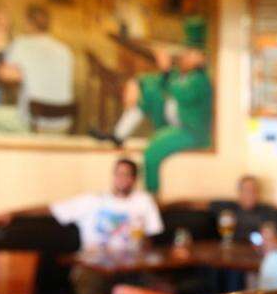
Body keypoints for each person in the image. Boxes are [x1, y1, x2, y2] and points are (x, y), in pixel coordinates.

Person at [0, 158, 164, 294]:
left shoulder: (144, 201)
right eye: (119, 174)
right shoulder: (94, 201)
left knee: (159, 288)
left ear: (134, 178)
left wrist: (143, 252)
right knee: (97, 287)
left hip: (131, 268)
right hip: (92, 266)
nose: (122, 178)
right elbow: (51, 209)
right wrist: (13, 213)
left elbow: (150, 238)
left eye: (127, 175)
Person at [90, 16, 212, 193]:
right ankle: (118, 136)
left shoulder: (200, 81)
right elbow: (154, 82)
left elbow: (182, 94)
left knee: (152, 154)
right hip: (171, 123)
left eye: (189, 53)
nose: (183, 56)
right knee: (147, 94)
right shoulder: (180, 75)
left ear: (201, 58)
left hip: (190, 131)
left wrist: (166, 71)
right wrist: (135, 83)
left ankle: (152, 195)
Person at [0, 4, 73, 133]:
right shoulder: (65, 50)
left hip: (34, 123)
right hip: (63, 123)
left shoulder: (22, 43)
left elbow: (4, 76)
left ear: (28, 22)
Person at [209, 175, 277, 292]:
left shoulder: (266, 211)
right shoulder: (230, 210)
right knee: (215, 268)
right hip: (232, 254)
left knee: (237, 273)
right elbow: (211, 207)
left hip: (254, 255)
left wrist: (264, 238)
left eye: (254, 190)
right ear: (239, 193)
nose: (251, 194)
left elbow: (269, 234)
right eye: (246, 190)